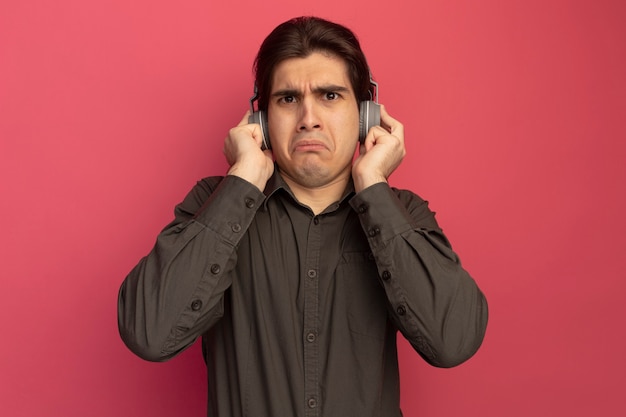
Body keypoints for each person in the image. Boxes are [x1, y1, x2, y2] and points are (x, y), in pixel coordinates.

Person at [118, 16, 488, 417]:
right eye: (288, 98)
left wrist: (373, 185)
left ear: (366, 114)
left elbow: (453, 341)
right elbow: (149, 333)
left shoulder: (401, 213)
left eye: (330, 96)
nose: (308, 118)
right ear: (261, 119)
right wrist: (241, 179)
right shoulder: (215, 202)